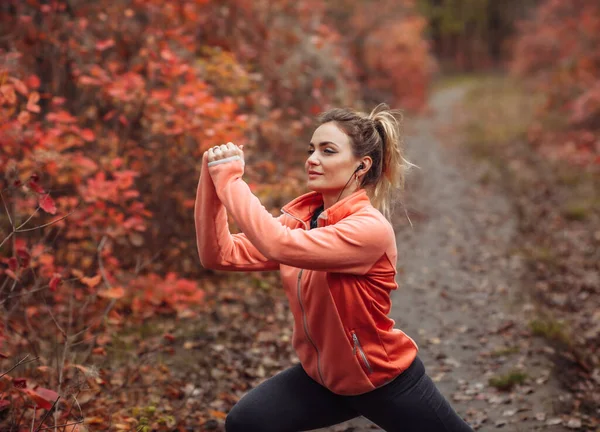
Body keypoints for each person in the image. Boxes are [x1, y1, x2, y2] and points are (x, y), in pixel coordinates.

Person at [194, 104, 474, 432]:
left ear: (361, 166)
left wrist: (230, 180)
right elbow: (219, 255)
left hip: (383, 381)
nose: (313, 159)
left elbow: (277, 244)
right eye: (311, 150)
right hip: (324, 381)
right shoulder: (303, 223)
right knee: (248, 421)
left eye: (328, 151)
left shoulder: (369, 229)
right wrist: (211, 178)